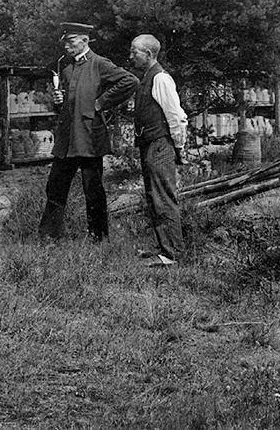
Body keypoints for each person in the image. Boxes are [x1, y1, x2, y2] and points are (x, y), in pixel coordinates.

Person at [39, 22, 139, 242]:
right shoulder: (65, 68)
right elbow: (67, 102)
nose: (66, 46)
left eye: (71, 41)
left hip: (89, 139)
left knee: (92, 190)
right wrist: (58, 101)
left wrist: (102, 102)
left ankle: (98, 239)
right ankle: (48, 238)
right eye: (65, 41)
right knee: (55, 188)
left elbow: (130, 81)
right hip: (67, 141)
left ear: (85, 40)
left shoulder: (99, 64)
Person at [128, 33, 189, 267]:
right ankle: (165, 247)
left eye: (135, 52)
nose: (131, 56)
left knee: (163, 197)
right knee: (155, 197)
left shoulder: (161, 79)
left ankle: (171, 254)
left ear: (149, 54)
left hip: (160, 144)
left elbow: (176, 117)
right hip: (150, 144)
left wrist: (179, 148)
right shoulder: (146, 78)